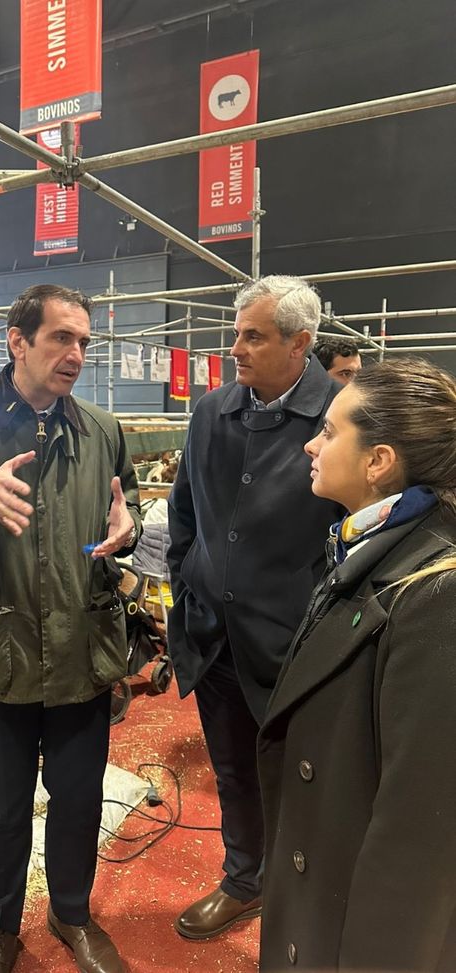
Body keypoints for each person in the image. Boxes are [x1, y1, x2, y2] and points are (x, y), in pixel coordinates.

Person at [0, 283, 141, 973]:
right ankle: (0, 928)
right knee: (6, 803)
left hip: (81, 647)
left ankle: (71, 913)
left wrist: (127, 525)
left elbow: (121, 501)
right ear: (18, 341)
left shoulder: (100, 429)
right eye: (61, 339)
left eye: (84, 341)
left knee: (78, 795)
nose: (76, 353)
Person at [259, 358, 456, 972]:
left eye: (331, 432)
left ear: (379, 461)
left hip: (356, 920)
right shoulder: (374, 542)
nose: (311, 443)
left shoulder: (435, 592)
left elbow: (419, 837)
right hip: (328, 876)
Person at [167, 274, 344, 941]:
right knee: (235, 768)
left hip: (300, 645)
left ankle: (314, 890)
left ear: (300, 344)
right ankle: (246, 880)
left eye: (253, 336)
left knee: (313, 774)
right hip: (215, 637)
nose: (234, 347)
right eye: (235, 333)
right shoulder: (213, 411)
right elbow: (184, 511)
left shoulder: (342, 417)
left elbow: (357, 531)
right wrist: (190, 580)